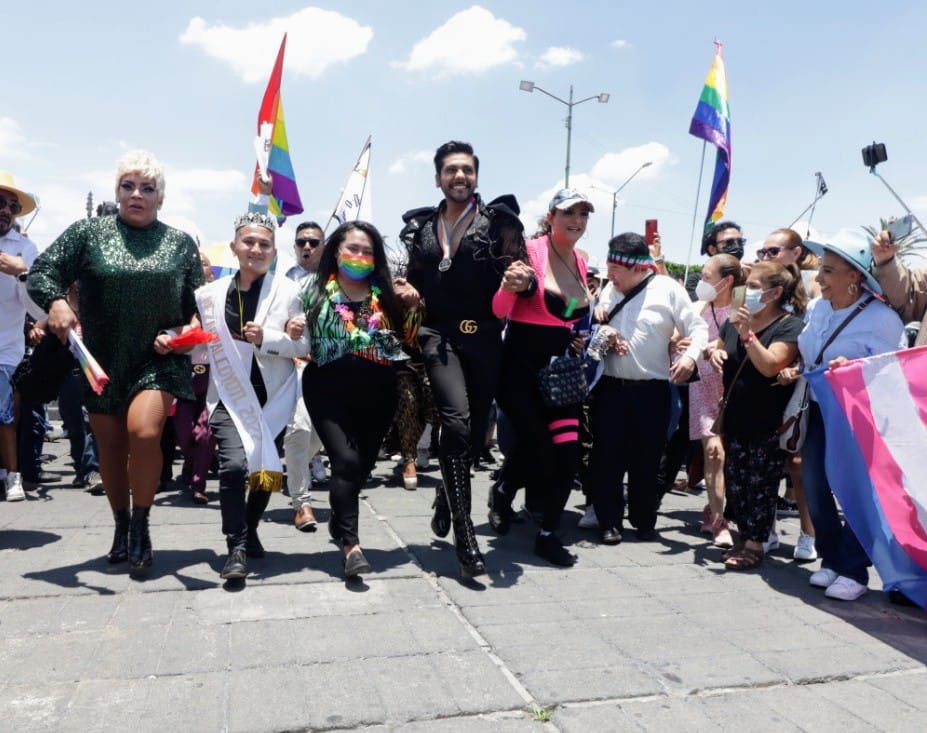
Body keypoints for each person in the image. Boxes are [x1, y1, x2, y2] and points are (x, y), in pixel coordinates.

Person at [27, 150, 204, 575]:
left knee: (144, 433)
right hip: (100, 361)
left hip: (156, 359)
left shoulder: (179, 243)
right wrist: (55, 303)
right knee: (110, 446)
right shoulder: (88, 234)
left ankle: (142, 524)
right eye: (128, 186)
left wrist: (184, 334)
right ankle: (121, 525)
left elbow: (198, 309)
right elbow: (42, 271)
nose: (137, 194)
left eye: (147, 188)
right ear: (117, 192)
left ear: (161, 198)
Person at [398, 141, 525, 579]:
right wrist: (405, 291)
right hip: (438, 336)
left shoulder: (499, 222)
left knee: (471, 438)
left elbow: (520, 274)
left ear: (476, 176)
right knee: (454, 420)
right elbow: (409, 280)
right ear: (438, 177)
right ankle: (465, 534)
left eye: (467, 170)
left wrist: (521, 279)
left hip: (486, 339)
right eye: (451, 170)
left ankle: (444, 497)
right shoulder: (419, 227)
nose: (459, 176)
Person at [790, 228, 905, 600]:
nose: (818, 278)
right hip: (821, 409)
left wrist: (854, 367)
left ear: (854, 276)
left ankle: (854, 569)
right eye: (820, 269)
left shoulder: (884, 319)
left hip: (862, 416)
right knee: (814, 485)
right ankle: (832, 559)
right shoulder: (818, 307)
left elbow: (892, 370)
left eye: (828, 271)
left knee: (857, 491)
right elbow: (809, 349)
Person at [196, 211, 308, 580]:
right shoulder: (208, 295)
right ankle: (236, 545)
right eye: (249, 242)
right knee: (231, 468)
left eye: (264, 244)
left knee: (264, 471)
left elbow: (303, 342)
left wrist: (269, 339)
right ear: (234, 247)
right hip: (228, 396)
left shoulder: (289, 291)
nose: (256, 249)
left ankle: (251, 527)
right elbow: (200, 343)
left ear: (274, 251)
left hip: (272, 396)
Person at [302, 221, 413, 578]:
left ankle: (339, 517)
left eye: (367, 250)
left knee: (361, 467)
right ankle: (351, 545)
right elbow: (290, 326)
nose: (359, 256)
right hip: (326, 387)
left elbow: (409, 337)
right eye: (352, 248)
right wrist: (290, 327)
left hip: (378, 388)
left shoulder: (388, 293)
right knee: (345, 461)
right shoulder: (313, 290)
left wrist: (415, 303)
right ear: (335, 251)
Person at [488, 189, 593, 566]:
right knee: (538, 448)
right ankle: (502, 490)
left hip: (560, 372)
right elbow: (501, 310)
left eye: (584, 214)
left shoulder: (580, 261)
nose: (577, 220)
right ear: (551, 216)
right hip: (519, 368)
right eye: (569, 212)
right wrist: (506, 286)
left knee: (566, 453)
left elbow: (566, 308)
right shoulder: (528, 251)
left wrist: (572, 332)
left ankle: (548, 534)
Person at [589, 233, 708, 543]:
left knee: (647, 457)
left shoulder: (669, 290)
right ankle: (609, 521)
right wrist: (604, 331)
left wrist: (689, 359)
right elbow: (592, 322)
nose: (609, 274)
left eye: (616, 268)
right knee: (607, 456)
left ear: (637, 268)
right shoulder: (609, 291)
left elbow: (698, 329)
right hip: (610, 388)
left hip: (652, 391)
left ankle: (644, 521)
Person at [707, 262, 806, 569]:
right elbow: (720, 347)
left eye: (752, 286)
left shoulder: (789, 326)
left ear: (774, 292)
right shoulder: (732, 322)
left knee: (760, 484)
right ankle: (746, 536)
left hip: (768, 421)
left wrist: (748, 334)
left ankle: (755, 544)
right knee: (737, 483)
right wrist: (713, 352)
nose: (744, 292)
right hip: (735, 416)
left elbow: (770, 365)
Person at [756, 227, 820, 560]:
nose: (765, 257)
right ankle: (765, 529)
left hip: (801, 384)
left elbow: (816, 339)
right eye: (762, 252)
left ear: (795, 253)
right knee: (765, 461)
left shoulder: (814, 286)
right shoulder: (761, 286)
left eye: (773, 251)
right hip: (766, 383)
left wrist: (797, 367)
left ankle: (808, 534)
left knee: (797, 462)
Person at [690, 253, 744, 548]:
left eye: (707, 277)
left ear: (727, 281)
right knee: (714, 453)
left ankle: (715, 507)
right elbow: (678, 338)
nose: (702, 282)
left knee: (732, 456)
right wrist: (697, 348)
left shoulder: (741, 304)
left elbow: (740, 339)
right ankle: (720, 522)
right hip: (703, 386)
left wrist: (717, 347)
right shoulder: (698, 307)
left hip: (734, 388)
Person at [282, 221, 328, 531]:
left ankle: (293, 467)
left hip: (331, 369)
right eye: (302, 242)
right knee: (298, 428)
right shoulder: (282, 283)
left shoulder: (336, 280)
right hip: (294, 366)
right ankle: (302, 502)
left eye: (313, 241)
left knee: (320, 435)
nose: (307, 247)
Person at [0, 172, 40, 502]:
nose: (6, 210)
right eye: (0, 202)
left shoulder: (25, 248)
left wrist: (22, 273)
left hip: (6, 348)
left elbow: (37, 308)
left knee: (6, 414)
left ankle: (13, 476)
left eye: (11, 205)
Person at [172, 250, 217, 505]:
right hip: (184, 373)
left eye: (204, 263)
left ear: (210, 271)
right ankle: (191, 463)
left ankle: (199, 483)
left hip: (212, 373)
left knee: (205, 434)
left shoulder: (219, 297)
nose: (200, 267)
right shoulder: (177, 296)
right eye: (195, 263)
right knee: (183, 434)